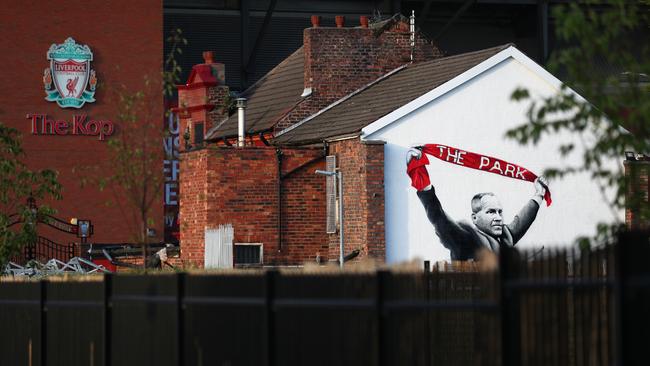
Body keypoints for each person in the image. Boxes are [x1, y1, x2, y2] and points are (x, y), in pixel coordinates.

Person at [407, 148, 548, 260]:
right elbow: (439, 219)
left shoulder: (505, 236)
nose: (498, 217)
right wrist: (423, 184)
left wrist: (539, 194)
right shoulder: (466, 237)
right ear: (475, 218)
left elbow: (521, 221)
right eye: (491, 212)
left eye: (500, 212)